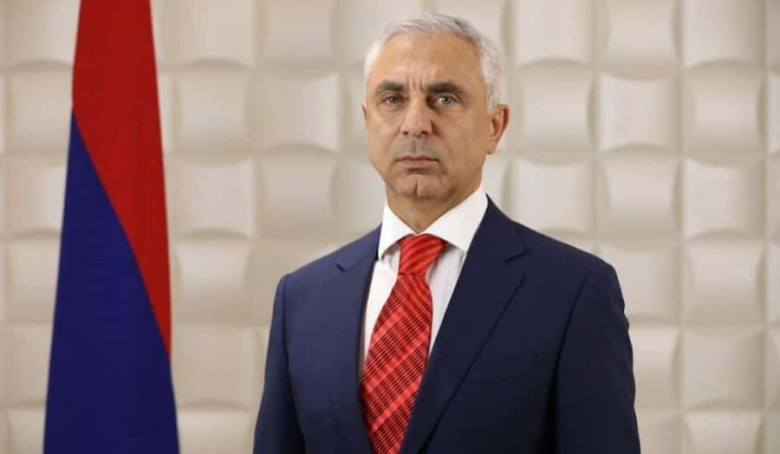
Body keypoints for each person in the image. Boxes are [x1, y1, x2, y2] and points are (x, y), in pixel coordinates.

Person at [254, 14, 640, 454]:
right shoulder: (302, 299)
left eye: (444, 99)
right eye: (393, 99)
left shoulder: (574, 292)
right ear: (367, 121)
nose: (415, 124)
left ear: (494, 126)